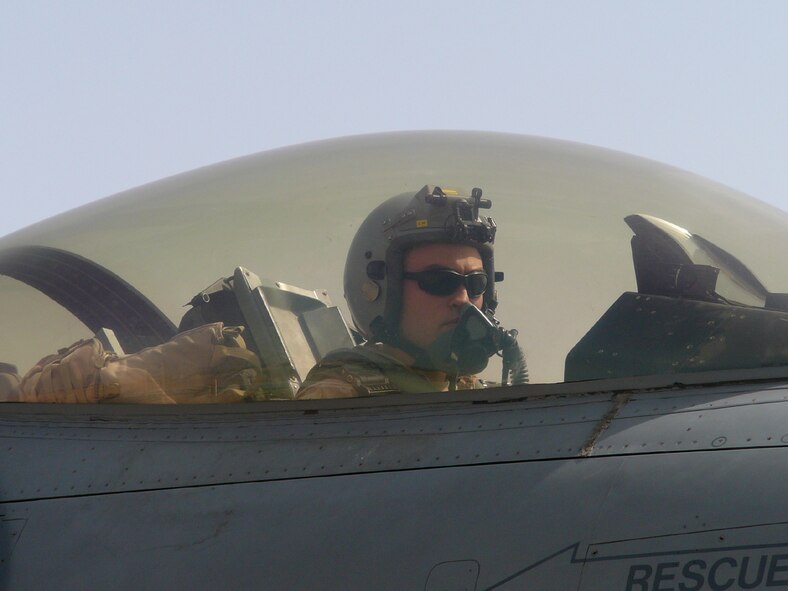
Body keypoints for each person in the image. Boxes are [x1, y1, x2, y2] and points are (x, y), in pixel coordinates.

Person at [297, 185, 525, 400]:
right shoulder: (338, 400)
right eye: (439, 281)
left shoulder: (471, 391)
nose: (462, 299)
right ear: (384, 291)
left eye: (476, 283)